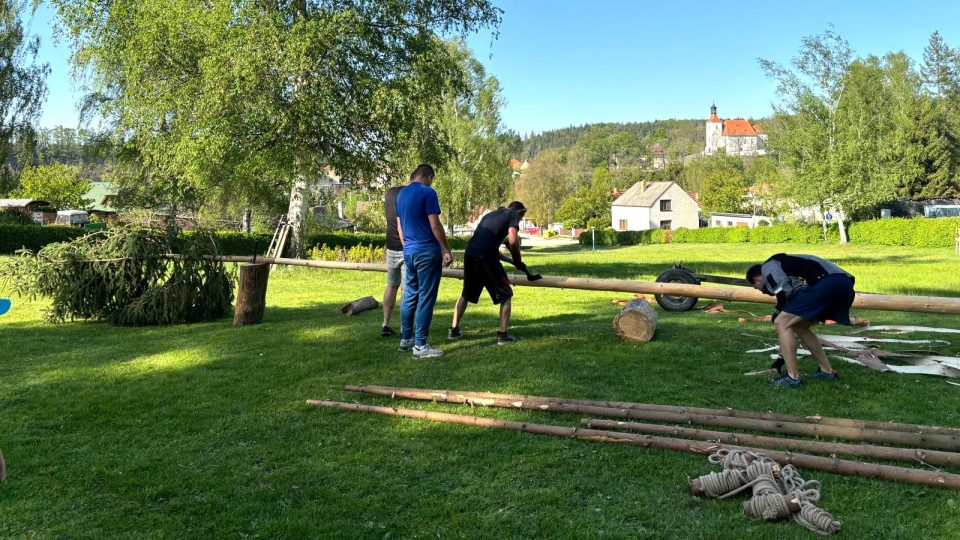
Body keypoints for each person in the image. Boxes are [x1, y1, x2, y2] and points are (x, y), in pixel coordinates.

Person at [747, 253, 856, 388]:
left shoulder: (768, 266)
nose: (761, 291)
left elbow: (783, 292)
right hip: (843, 284)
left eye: (756, 287)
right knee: (798, 325)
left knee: (782, 322)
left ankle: (793, 377)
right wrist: (779, 363)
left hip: (828, 282)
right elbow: (793, 297)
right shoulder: (788, 269)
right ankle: (827, 371)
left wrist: (776, 314)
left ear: (757, 279)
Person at [449, 201, 530, 345]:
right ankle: (503, 336)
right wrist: (518, 258)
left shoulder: (491, 215)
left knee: (466, 294)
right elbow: (513, 242)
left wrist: (513, 262)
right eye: (522, 217)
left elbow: (489, 248)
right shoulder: (513, 214)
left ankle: (454, 330)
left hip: (471, 253)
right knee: (506, 294)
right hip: (485, 256)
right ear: (520, 212)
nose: (520, 221)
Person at [395, 164, 452, 358]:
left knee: (410, 294)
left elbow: (400, 228)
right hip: (427, 251)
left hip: (409, 252)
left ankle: (406, 338)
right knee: (426, 297)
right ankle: (420, 346)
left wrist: (407, 247)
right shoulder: (428, 192)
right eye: (432, 179)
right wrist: (446, 249)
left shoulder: (401, 195)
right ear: (428, 176)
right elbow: (435, 225)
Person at [380, 184, 405, 337]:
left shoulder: (390, 193)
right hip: (405, 246)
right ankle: (405, 327)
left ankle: (385, 324)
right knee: (406, 289)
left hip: (391, 246)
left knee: (391, 285)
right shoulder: (408, 194)